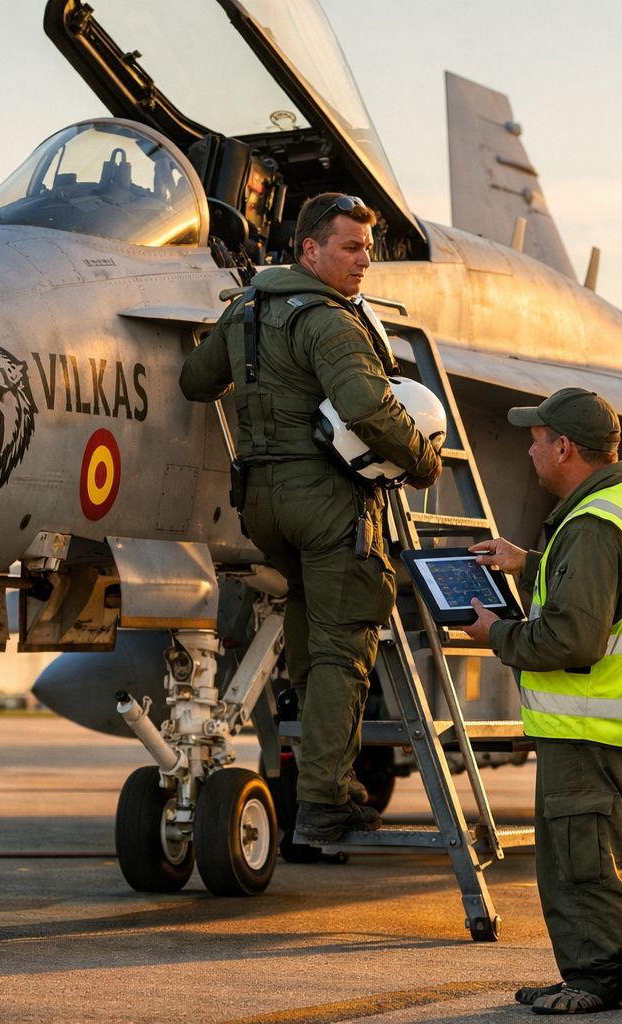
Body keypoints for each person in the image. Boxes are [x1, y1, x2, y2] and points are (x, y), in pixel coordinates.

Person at [180, 192, 441, 844]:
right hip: (326, 501)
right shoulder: (330, 320)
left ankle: (314, 773)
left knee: (308, 623)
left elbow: (196, 380)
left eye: (367, 250)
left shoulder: (248, 308)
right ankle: (325, 798)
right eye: (351, 248)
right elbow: (368, 408)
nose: (364, 261)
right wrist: (423, 461)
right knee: (342, 648)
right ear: (309, 249)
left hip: (262, 504)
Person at [463, 387, 622, 1015]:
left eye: (537, 440)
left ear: (565, 447)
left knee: (583, 863)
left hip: (595, 731)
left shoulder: (591, 525)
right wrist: (529, 562)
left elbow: (572, 638)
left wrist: (497, 634)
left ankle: (594, 979)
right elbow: (608, 590)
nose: (530, 450)